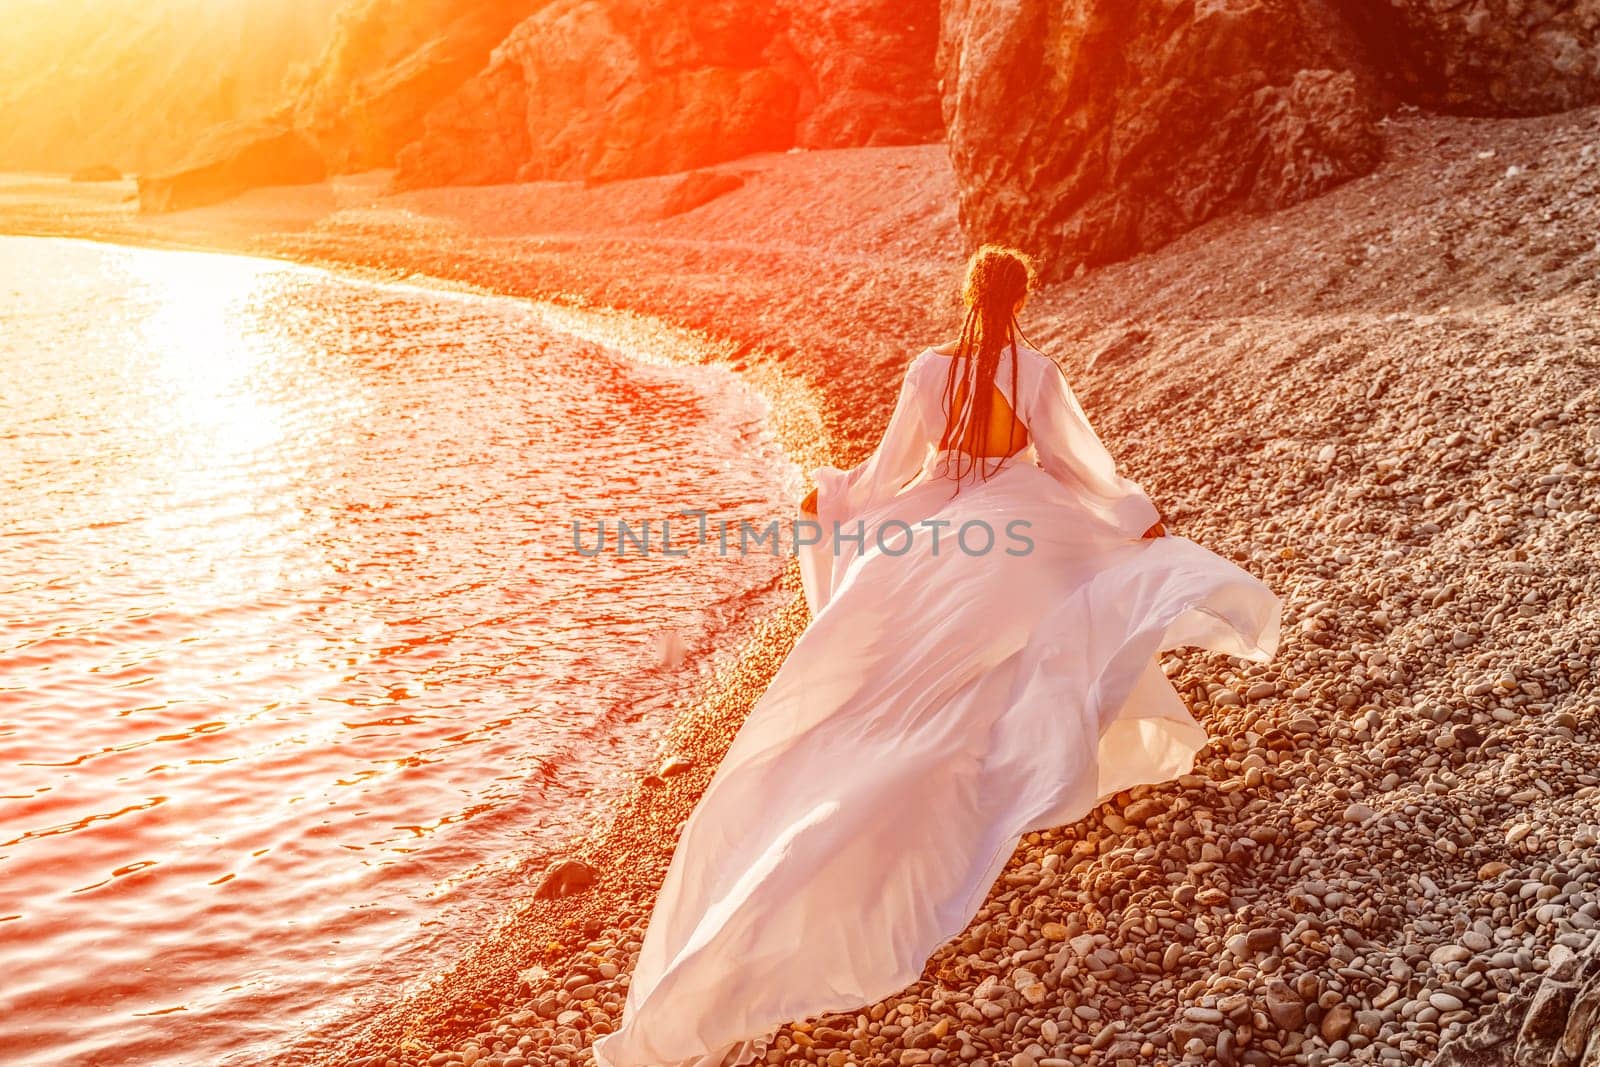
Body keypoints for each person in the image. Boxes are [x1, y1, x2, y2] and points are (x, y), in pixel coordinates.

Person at [591, 244, 1281, 1067]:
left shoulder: (928, 372)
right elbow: (1078, 469)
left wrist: (831, 496)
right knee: (1052, 629)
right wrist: (1139, 519)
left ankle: (869, 803)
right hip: (1021, 523)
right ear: (1023, 297)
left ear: (965, 293)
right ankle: (998, 763)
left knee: (902, 674)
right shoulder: (1037, 373)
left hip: (939, 524)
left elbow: (888, 476)